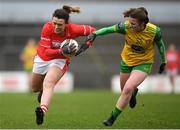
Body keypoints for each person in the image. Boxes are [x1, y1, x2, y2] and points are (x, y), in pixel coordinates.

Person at [76, 7, 166, 126]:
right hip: (126, 61)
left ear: (143, 24)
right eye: (129, 22)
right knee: (125, 90)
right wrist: (95, 34)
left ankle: (112, 118)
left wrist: (163, 61)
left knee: (127, 88)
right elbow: (109, 29)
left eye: (133, 23)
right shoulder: (125, 26)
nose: (130, 25)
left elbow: (160, 45)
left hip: (144, 63)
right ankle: (133, 93)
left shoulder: (155, 31)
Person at [31, 5, 95, 125]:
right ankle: (42, 92)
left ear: (66, 24)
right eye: (54, 23)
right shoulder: (47, 27)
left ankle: (42, 111)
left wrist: (87, 44)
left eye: (59, 25)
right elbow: (46, 52)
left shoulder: (74, 29)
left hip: (59, 60)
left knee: (49, 83)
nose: (56, 27)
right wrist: (62, 50)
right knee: (34, 88)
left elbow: (93, 31)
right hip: (42, 57)